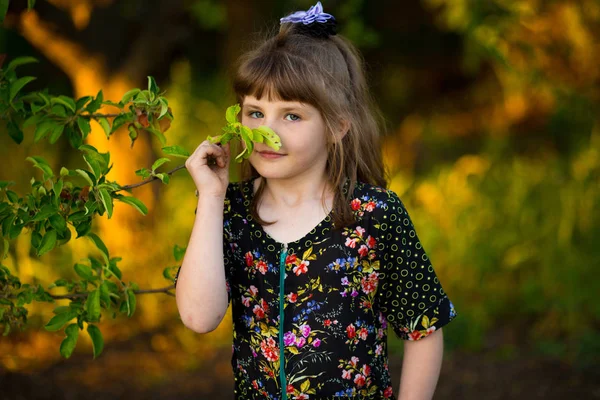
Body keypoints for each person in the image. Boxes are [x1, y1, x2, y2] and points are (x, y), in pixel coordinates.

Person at [175, 2, 458, 399]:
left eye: (291, 116)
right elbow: (198, 317)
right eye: (254, 112)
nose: (266, 132)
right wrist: (210, 196)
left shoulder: (374, 214)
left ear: (337, 126)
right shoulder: (230, 211)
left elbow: (423, 327)